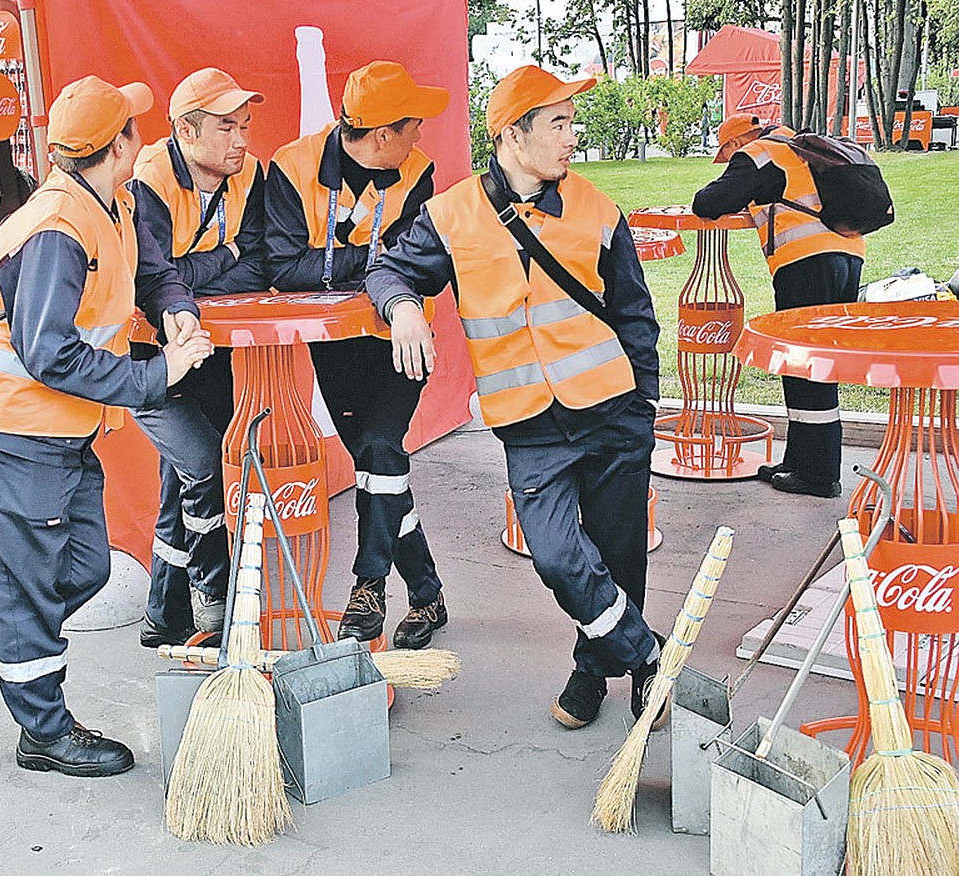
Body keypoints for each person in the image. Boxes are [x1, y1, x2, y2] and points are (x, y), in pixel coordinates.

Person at [0, 76, 214, 777]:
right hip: (10, 430)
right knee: (35, 581)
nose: (141, 134)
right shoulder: (58, 229)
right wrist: (159, 378)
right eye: (133, 125)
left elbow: (154, 273)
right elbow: (48, 353)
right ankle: (43, 731)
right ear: (117, 145)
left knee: (83, 568)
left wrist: (176, 309)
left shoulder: (114, 202)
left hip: (57, 432)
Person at [365, 65, 663, 728]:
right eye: (558, 122)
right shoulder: (451, 217)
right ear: (511, 136)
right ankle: (646, 657)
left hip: (613, 414)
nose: (572, 136)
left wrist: (645, 404)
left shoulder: (598, 209)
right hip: (530, 428)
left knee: (617, 554)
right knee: (558, 555)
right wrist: (404, 306)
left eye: (570, 121)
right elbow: (388, 268)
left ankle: (593, 673)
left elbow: (636, 315)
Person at [264, 60, 448, 650]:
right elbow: (283, 271)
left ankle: (367, 587)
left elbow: (428, 268)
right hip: (335, 347)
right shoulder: (291, 168)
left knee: (378, 452)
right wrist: (374, 267)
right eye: (414, 123)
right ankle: (428, 595)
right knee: (379, 472)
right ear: (382, 135)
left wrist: (353, 274)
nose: (422, 133)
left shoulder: (419, 173)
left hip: (404, 339)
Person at [128, 67, 267, 648]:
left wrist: (203, 266)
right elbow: (150, 277)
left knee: (181, 474)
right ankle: (215, 606)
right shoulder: (148, 179)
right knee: (204, 462)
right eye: (227, 127)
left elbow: (259, 261)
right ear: (186, 131)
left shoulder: (251, 174)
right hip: (146, 352)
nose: (242, 140)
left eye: (246, 126)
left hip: (211, 346)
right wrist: (223, 256)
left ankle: (163, 613)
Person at [693, 113, 864, 498]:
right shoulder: (799, 148)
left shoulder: (759, 153)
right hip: (847, 258)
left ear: (736, 142)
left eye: (726, 154)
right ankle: (799, 461)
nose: (728, 161)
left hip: (806, 262)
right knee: (808, 364)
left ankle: (818, 476)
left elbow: (710, 201)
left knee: (807, 366)